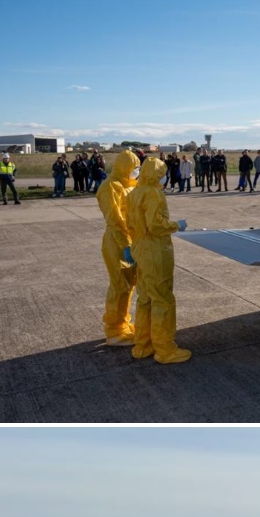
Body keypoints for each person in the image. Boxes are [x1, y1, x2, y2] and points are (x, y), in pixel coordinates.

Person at [124, 156, 192, 363]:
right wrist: (176, 225)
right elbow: (155, 225)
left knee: (144, 298)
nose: (164, 178)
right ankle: (165, 349)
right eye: (162, 174)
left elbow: (130, 223)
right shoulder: (154, 194)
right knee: (162, 299)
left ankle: (143, 345)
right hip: (155, 250)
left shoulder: (134, 193)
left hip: (139, 248)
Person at [96, 150, 141, 347]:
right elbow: (115, 220)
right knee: (119, 286)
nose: (136, 172)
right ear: (124, 168)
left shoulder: (130, 186)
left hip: (132, 242)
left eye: (137, 168)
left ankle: (123, 324)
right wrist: (125, 247)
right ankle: (114, 332)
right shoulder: (110, 187)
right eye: (133, 168)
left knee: (129, 286)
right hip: (118, 243)